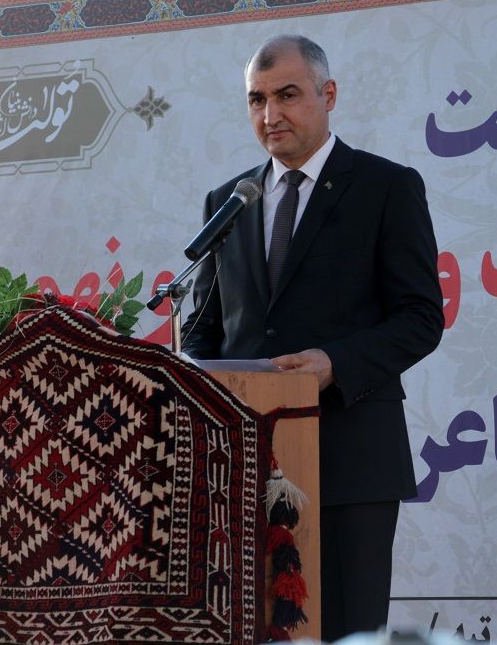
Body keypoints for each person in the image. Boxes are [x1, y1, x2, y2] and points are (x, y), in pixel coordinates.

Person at [180, 34, 444, 642]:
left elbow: (420, 317)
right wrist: (190, 366)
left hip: (350, 459)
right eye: (257, 100)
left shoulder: (385, 187)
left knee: (347, 632)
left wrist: (335, 363)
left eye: (288, 95)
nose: (270, 114)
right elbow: (205, 329)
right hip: (242, 467)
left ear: (329, 95)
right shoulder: (228, 202)